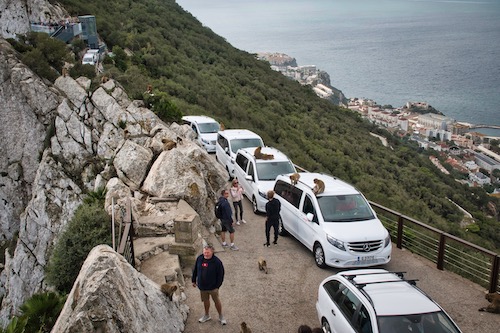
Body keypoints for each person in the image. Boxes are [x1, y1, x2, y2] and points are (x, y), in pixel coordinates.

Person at [192, 244, 227, 325]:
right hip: (202, 287)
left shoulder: (217, 262)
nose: (206, 254)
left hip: (213, 287)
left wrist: (217, 286)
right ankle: (206, 315)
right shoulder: (199, 258)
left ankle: (221, 316)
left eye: (207, 253)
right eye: (204, 252)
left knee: (216, 301)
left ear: (212, 252)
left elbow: (221, 275)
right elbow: (195, 270)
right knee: (205, 301)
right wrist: (193, 280)